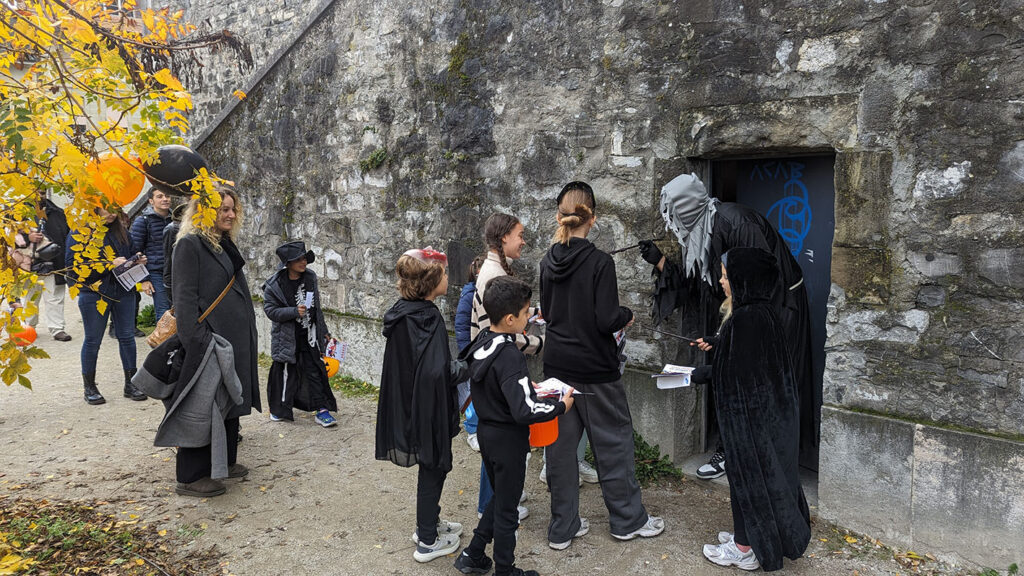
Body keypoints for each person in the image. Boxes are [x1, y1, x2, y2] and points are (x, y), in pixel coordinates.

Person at [638, 173, 814, 478]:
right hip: (742, 311)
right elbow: (698, 286)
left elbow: (761, 284)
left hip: (777, 311)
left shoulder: (738, 225)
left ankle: (762, 462)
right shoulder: (699, 231)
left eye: (674, 214)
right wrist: (661, 263)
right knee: (737, 380)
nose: (671, 223)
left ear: (688, 208)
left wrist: (728, 336)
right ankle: (735, 450)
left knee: (763, 385)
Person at [540, 181, 664, 550]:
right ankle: (627, 521)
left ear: (562, 216)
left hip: (557, 365)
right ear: (591, 217)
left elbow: (547, 313)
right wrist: (626, 314)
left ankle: (562, 527)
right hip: (595, 369)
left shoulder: (548, 260)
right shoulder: (599, 262)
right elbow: (607, 318)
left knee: (560, 451)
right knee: (613, 445)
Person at [454, 276, 574, 576]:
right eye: (525, 313)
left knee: (501, 497)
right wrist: (560, 406)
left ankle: (474, 553)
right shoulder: (510, 355)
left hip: (487, 434)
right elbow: (524, 410)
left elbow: (494, 384)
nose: (528, 317)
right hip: (509, 441)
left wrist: (523, 388)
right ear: (510, 319)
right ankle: (505, 570)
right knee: (508, 510)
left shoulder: (483, 340)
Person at [700, 247, 811, 571]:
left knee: (747, 481)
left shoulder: (744, 320)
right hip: (771, 420)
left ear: (743, 279)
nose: (721, 280)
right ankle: (745, 536)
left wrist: (694, 373)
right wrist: (719, 345)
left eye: (725, 275)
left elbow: (733, 374)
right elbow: (748, 363)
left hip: (752, 425)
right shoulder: (762, 315)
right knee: (757, 481)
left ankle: (744, 549)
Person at [374, 247, 465, 563]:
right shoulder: (427, 318)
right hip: (428, 406)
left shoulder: (404, 311)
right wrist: (470, 365)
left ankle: (429, 524)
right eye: (445, 273)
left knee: (432, 466)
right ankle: (427, 540)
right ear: (431, 280)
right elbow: (438, 371)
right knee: (434, 466)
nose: (449, 278)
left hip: (414, 401)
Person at [170, 184, 260, 497]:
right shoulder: (190, 245)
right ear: (204, 210)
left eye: (233, 209)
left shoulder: (222, 242)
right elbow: (184, 300)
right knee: (204, 404)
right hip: (208, 340)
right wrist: (198, 341)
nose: (231, 214)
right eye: (224, 209)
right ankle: (192, 476)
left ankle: (225, 461)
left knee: (230, 400)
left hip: (231, 339)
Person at [470, 213, 543, 519]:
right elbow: (502, 332)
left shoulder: (497, 268)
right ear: (503, 238)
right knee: (499, 439)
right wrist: (539, 344)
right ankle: (491, 504)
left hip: (492, 364)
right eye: (519, 235)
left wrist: (536, 313)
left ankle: (500, 496)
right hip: (495, 366)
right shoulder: (492, 274)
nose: (523, 241)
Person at [65, 205, 147, 404]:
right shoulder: (80, 232)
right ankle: (90, 387)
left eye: (115, 210)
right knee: (93, 340)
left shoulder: (122, 231)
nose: (112, 214)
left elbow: (132, 251)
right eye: (107, 209)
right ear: (95, 209)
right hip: (93, 293)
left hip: (123, 291)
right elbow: (72, 268)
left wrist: (138, 261)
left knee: (127, 337)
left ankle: (131, 383)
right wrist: (108, 264)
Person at [262, 240, 338, 427]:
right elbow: (270, 311)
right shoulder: (275, 285)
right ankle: (280, 410)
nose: (303, 262)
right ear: (288, 263)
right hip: (287, 338)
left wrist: (324, 332)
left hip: (309, 336)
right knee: (286, 374)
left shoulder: (310, 277)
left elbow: (316, 309)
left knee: (316, 371)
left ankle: (322, 409)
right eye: (298, 259)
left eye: (304, 258)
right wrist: (293, 311)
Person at [23, 193, 72, 341]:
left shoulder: (57, 212)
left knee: (55, 297)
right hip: (29, 262)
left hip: (54, 262)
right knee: (30, 297)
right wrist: (28, 238)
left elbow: (66, 235)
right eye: (36, 192)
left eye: (43, 192)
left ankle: (57, 329)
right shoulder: (20, 213)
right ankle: (29, 327)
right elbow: (9, 236)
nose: (40, 196)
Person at [130, 188, 173, 319]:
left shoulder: (176, 219)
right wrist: (144, 280)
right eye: (159, 196)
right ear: (151, 201)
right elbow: (134, 253)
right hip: (156, 273)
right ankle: (164, 340)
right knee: (163, 312)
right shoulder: (143, 221)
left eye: (167, 196)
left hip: (176, 271)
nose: (165, 199)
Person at [456, 256, 484, 451]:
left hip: (482, 350)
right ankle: (472, 430)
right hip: (472, 352)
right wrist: (468, 352)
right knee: (471, 392)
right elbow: (461, 326)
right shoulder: (469, 295)